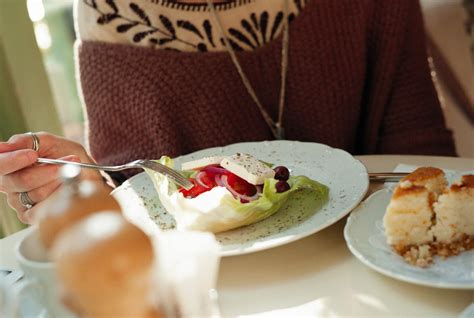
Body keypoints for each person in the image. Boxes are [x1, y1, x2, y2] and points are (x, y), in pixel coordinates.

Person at [0, 0, 456, 224]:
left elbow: (420, 160)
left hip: (374, 255)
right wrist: (90, 193)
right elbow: (141, 193)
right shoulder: (114, 11)